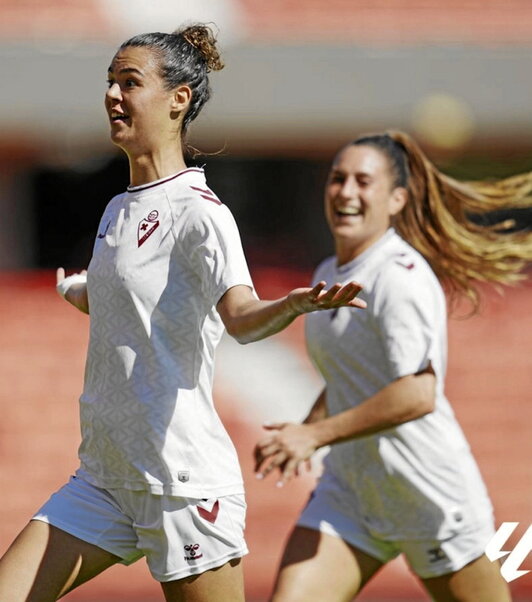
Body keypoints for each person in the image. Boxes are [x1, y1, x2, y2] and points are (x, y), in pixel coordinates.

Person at [0, 25, 366, 602]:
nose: (113, 96)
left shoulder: (201, 215)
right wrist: (79, 292)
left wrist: (292, 305)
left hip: (182, 484)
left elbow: (241, 318)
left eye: (130, 82)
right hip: (104, 478)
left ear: (179, 99)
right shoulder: (116, 211)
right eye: (110, 83)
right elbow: (122, 298)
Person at [254, 131, 532, 602]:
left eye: (364, 181)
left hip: (428, 496)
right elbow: (350, 378)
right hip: (352, 494)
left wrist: (314, 436)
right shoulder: (327, 273)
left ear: (397, 198)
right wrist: (303, 429)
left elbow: (418, 393)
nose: (346, 191)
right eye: (338, 179)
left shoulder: (399, 278)